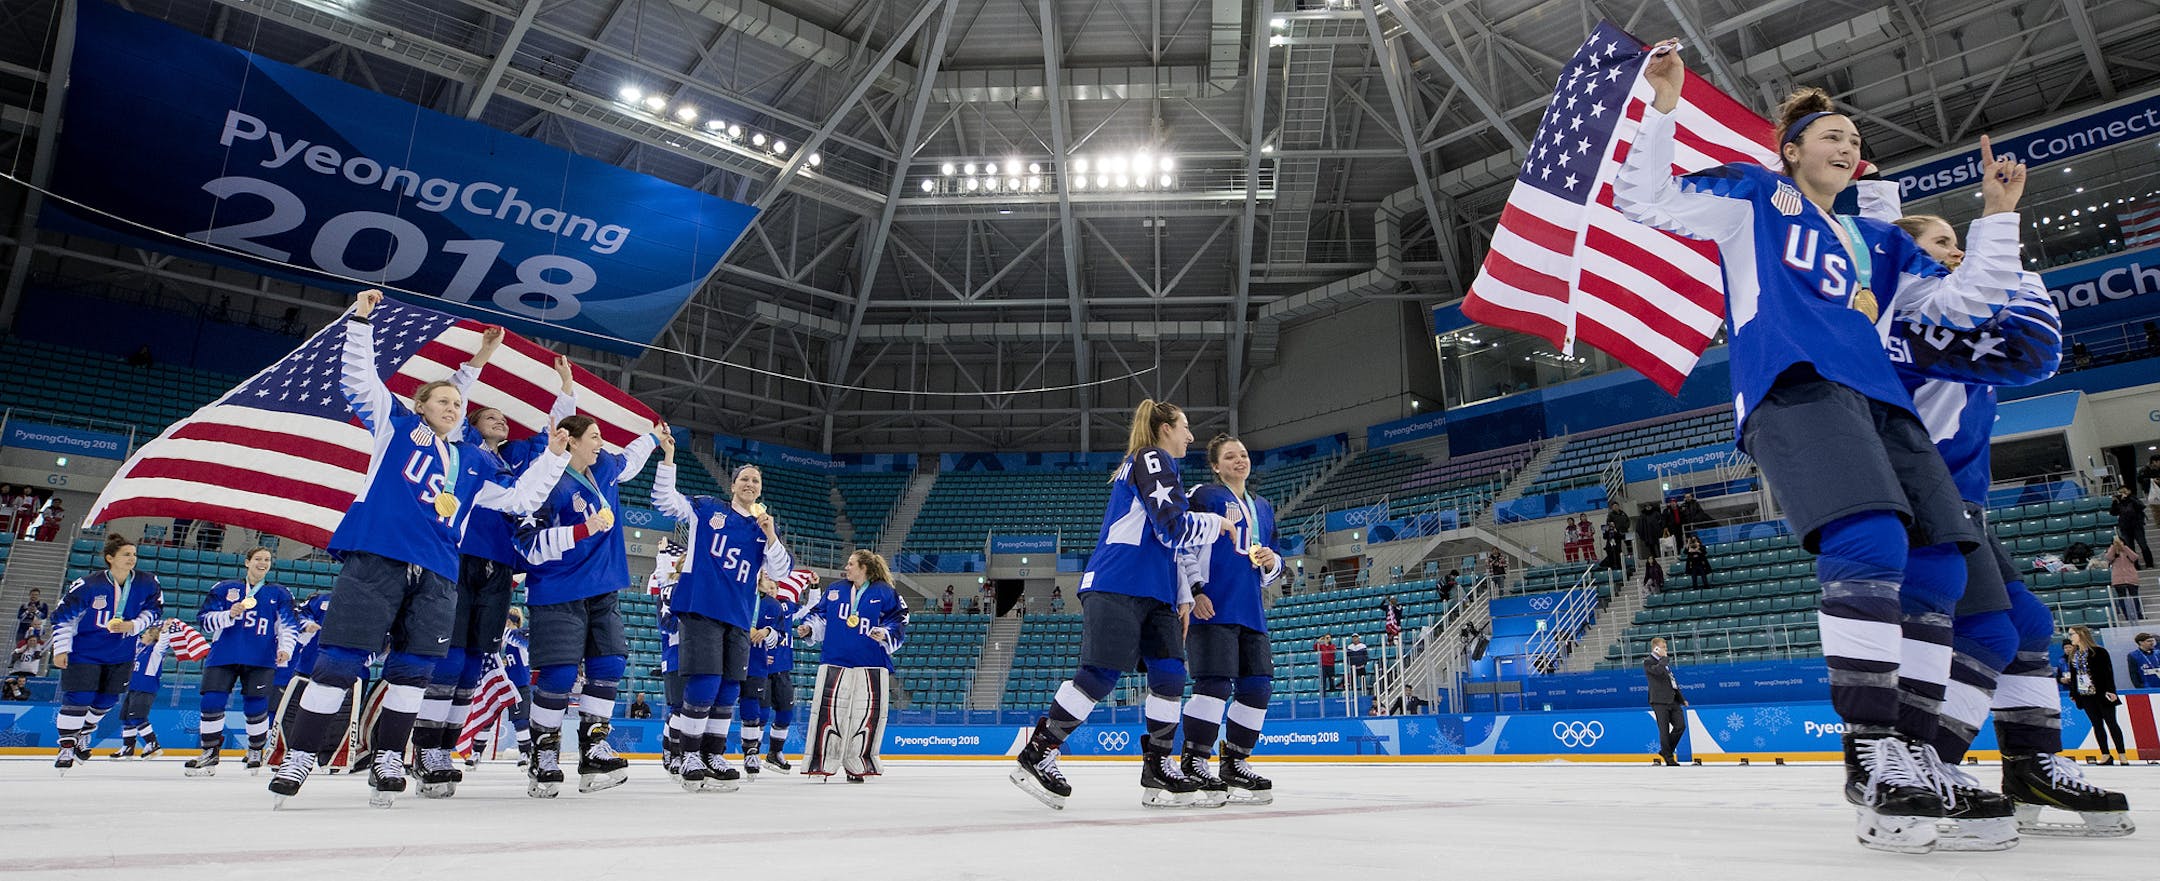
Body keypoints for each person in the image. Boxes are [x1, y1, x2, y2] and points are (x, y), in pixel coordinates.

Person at [1619, 47, 2019, 852]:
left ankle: (1913, 751)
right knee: (1870, 538)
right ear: (1792, 149)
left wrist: (1997, 214)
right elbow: (1647, 198)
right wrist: (1662, 107)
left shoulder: (1877, 239)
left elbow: (1969, 300)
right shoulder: (1755, 199)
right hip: (1796, 383)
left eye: (1853, 135)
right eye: (1828, 134)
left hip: (1881, 400)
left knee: (1940, 562)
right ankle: (1870, 746)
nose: (1845, 143)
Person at [266, 288, 575, 808]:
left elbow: (523, 497)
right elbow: (359, 381)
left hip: (437, 573)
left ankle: (389, 756)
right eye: (445, 401)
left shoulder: (476, 465)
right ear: (421, 406)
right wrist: (360, 323)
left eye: (459, 404)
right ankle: (302, 755)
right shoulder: (398, 428)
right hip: (377, 557)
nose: (453, 408)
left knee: (413, 668)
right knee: (341, 659)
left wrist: (555, 457)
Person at [1007, 399, 1235, 810]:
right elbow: (1172, 527)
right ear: (1165, 428)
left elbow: (1166, 542)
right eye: (1185, 426)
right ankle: (1038, 752)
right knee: (1099, 675)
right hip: (1118, 583)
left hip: (1157, 592)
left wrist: (1183, 594)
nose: (1191, 435)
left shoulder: (1164, 465)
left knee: (1169, 677)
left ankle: (1159, 768)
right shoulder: (1151, 457)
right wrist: (1217, 524)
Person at [408, 330, 578, 797]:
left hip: (500, 565)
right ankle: (426, 749)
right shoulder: (461, 450)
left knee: (475, 658)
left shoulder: (516, 462)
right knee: (450, 654)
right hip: (458, 559)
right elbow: (457, 396)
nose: (499, 421)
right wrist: (484, 354)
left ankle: (446, 745)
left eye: (504, 418)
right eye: (490, 416)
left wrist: (565, 387)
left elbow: (555, 438)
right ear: (471, 423)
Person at [515, 409, 661, 798]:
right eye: (594, 437)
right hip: (558, 590)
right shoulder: (547, 482)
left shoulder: (606, 468)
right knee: (560, 676)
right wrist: (582, 530)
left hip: (604, 587)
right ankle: (543, 753)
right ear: (572, 441)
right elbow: (527, 546)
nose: (601, 443)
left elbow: (629, 459)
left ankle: (594, 747)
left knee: (610, 662)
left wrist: (654, 435)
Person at [651, 432, 793, 793]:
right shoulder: (707, 509)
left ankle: (714, 754)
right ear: (733, 485)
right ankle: (690, 754)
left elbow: (780, 573)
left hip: (739, 616)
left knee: (729, 687)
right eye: (744, 478)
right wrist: (668, 457)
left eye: (755, 480)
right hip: (701, 607)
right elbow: (665, 501)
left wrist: (772, 535)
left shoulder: (762, 531)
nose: (749, 483)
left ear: (760, 491)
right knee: (706, 682)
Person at [1177, 433, 1285, 806]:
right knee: (1214, 685)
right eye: (1229, 456)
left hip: (1251, 610)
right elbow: (1182, 542)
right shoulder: (1205, 495)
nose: (1239, 460)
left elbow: (1275, 559)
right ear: (1215, 465)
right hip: (1214, 605)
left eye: (1242, 454)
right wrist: (1194, 590)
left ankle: (1235, 762)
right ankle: (1194, 761)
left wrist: (1274, 564)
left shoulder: (1263, 506)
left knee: (1258, 687)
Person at [49, 533, 164, 772]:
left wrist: (133, 626)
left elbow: (154, 611)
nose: (132, 558)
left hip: (121, 653)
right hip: (85, 652)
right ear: (110, 558)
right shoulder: (88, 585)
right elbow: (63, 619)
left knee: (107, 700)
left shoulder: (147, 582)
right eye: (126, 554)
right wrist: (60, 649)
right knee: (79, 698)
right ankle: (67, 746)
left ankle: (84, 733)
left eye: (134, 554)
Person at [796, 550, 909, 782]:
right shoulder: (835, 589)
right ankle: (821, 763)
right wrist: (809, 627)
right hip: (835, 660)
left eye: (851, 564)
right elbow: (820, 615)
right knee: (826, 713)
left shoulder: (885, 592)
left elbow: (900, 618)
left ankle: (860, 764)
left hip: (871, 663)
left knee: (865, 716)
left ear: (864, 568)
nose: (846, 567)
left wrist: (885, 632)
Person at [186, 547, 299, 776]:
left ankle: (256, 751)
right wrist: (228, 615)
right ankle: (209, 752)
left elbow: (288, 625)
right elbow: (204, 621)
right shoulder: (224, 588)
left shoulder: (280, 593)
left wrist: (286, 649)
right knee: (211, 702)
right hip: (223, 655)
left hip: (261, 657)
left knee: (256, 705)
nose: (263, 563)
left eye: (267, 560)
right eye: (258, 559)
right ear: (247, 562)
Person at [740, 570, 813, 778]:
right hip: (740, 659)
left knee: (770, 709)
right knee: (727, 706)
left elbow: (780, 633)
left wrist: (768, 634)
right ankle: (704, 751)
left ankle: (763, 752)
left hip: (768, 666)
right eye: (766, 583)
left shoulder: (779, 607)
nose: (770, 587)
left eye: (773, 586)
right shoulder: (740, 595)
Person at [2060, 627, 2126, 765]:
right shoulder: (2074, 654)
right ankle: (2105, 754)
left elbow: (2107, 672)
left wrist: (2111, 690)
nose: (2070, 637)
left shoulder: (2099, 652)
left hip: (2102, 692)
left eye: (2072, 634)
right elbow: (2074, 675)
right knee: (2097, 724)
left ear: (2081, 634)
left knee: (2111, 723)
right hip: (2085, 694)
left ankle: (2122, 754)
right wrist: (2074, 693)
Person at [112, 622, 174, 760]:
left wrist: (164, 631)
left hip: (146, 688)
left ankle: (152, 743)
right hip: (133, 687)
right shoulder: (140, 648)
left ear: (152, 637)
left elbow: (163, 642)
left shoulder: (155, 651)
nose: (142, 635)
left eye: (145, 634)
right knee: (127, 718)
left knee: (137, 717)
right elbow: (131, 638)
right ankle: (127, 747)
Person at [1644, 637, 1687, 766]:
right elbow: (1657, 671)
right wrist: (1663, 658)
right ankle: (1669, 758)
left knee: (1680, 726)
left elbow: (1672, 681)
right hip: (1659, 701)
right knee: (1664, 730)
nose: (1666, 650)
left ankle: (1665, 751)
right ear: (1656, 648)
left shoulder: (1664, 663)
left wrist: (1681, 698)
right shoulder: (1648, 662)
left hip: (1673, 700)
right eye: (1664, 647)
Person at [2109, 486, 2151, 567]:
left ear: (2128, 491)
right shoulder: (2118, 502)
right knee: (2130, 547)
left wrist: (2129, 498)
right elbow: (2113, 513)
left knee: (2143, 544)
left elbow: (2141, 506)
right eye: (2120, 492)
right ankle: (2135, 565)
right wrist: (2114, 502)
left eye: (2124, 491)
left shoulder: (2133, 498)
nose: (2122, 494)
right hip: (2125, 527)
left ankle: (2149, 563)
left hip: (2137, 525)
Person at [2107, 537, 2143, 621]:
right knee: (2121, 598)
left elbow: (2134, 557)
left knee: (2135, 597)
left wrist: (2124, 547)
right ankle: (2127, 616)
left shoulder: (2127, 550)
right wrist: (2113, 547)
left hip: (2131, 577)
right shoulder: (2111, 551)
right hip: (2118, 579)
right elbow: (2108, 558)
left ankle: (2138, 614)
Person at [2137, 454, 2160, 526]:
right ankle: (2159, 524)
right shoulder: (2144, 470)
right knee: (2156, 508)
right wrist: (2152, 480)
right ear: (2154, 462)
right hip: (2150, 492)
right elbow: (2140, 480)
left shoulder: (2158, 469)